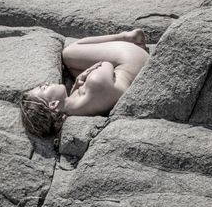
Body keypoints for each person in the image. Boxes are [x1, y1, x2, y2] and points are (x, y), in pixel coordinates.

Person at [20, 29, 149, 137]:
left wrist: (77, 83)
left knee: (71, 68)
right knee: (67, 54)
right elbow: (106, 63)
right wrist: (86, 73)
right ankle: (126, 37)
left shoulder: (75, 110)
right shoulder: (94, 83)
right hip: (135, 59)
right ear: (53, 104)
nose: (47, 83)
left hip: (125, 77)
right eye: (43, 88)